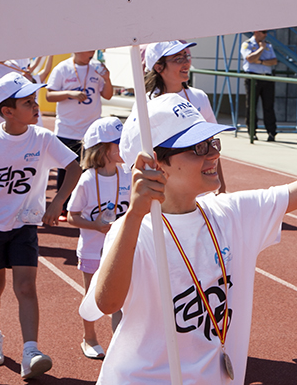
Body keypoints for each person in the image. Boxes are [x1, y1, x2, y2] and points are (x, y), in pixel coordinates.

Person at [79, 85, 297, 384]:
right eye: (197, 147)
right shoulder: (135, 229)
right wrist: (136, 213)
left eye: (212, 141)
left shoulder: (230, 213)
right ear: (155, 163)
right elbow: (107, 304)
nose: (214, 153)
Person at [0, 72, 82, 379]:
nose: (36, 105)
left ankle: (31, 350)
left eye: (34, 100)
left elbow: (74, 166)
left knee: (26, 287)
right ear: (7, 111)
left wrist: (56, 202)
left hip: (24, 226)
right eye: (28, 102)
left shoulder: (42, 137)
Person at [122, 40, 227, 192]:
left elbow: (211, 144)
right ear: (159, 67)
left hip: (200, 187)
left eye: (186, 56)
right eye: (178, 59)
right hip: (168, 190)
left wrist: (221, 186)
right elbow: (134, 153)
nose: (186, 63)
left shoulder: (199, 97)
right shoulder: (145, 103)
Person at [67, 117, 129, 360]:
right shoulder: (87, 179)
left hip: (121, 249)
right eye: (119, 143)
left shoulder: (127, 174)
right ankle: (89, 338)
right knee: (92, 296)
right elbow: (71, 216)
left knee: (122, 297)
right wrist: (95, 226)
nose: (125, 147)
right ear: (103, 149)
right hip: (93, 250)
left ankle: (120, 343)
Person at [46, 51, 113, 218]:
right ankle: (63, 206)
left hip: (90, 131)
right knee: (66, 169)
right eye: (87, 49)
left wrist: (108, 79)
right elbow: (49, 95)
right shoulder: (62, 68)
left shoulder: (97, 68)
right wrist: (70, 93)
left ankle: (84, 206)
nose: (91, 53)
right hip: (67, 129)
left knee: (90, 169)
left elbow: (108, 95)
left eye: (93, 50)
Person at [240, 30, 278, 142]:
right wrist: (261, 49)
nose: (266, 35)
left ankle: (272, 132)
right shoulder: (247, 44)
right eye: (263, 32)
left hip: (267, 77)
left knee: (269, 106)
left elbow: (274, 61)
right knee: (252, 106)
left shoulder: (268, 45)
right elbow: (250, 59)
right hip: (253, 77)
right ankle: (252, 132)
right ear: (256, 32)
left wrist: (260, 61)